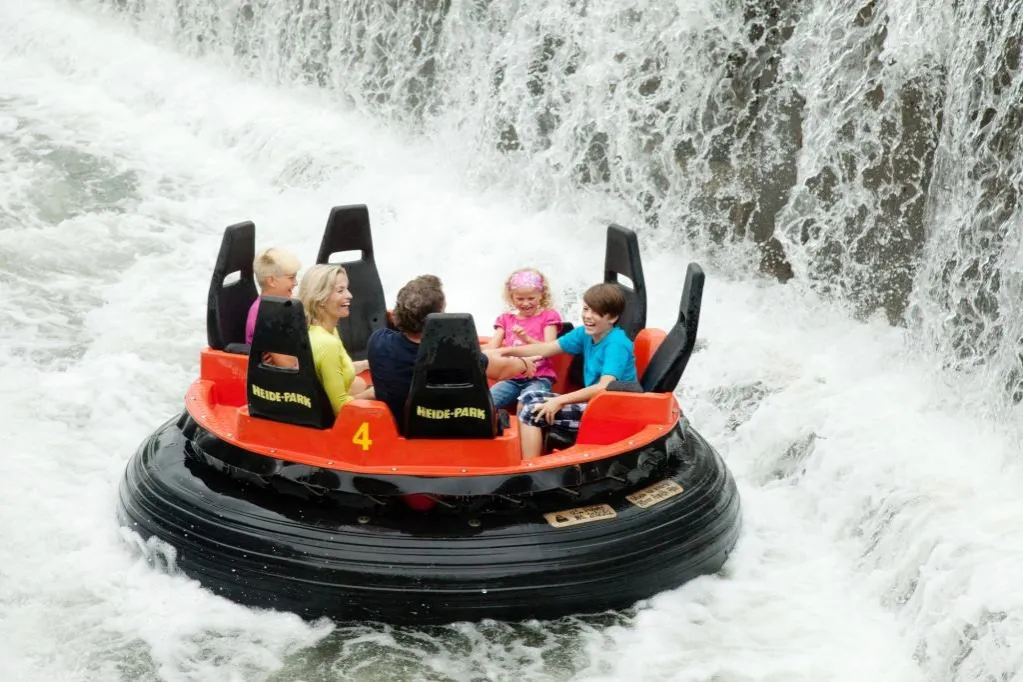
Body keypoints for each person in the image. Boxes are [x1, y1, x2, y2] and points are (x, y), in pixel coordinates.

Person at [367, 274, 539, 432]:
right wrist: (524, 365)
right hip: (453, 431)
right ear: (437, 318)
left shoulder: (378, 341)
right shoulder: (454, 354)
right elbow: (502, 370)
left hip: (402, 429)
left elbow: (484, 361)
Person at [499, 283, 637, 459]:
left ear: (612, 318)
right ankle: (530, 454)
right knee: (528, 398)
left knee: (531, 413)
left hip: (612, 412)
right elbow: (547, 349)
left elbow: (604, 387)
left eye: (596, 313)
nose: (588, 316)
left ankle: (531, 470)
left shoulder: (617, 344)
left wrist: (560, 401)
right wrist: (503, 352)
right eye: (586, 309)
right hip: (594, 403)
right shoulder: (585, 333)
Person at [297, 264, 374, 417]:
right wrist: (373, 394)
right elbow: (340, 408)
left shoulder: (321, 330)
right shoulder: (327, 343)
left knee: (361, 383)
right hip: (334, 421)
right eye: (340, 290)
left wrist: (368, 364)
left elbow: (337, 368)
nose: (350, 295)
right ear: (321, 299)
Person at [484, 268, 562, 409]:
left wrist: (526, 338)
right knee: (484, 404)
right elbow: (492, 347)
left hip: (539, 377)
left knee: (526, 405)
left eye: (531, 298)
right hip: (511, 377)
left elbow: (549, 348)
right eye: (520, 299)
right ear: (511, 297)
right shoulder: (506, 319)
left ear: (541, 295)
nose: (525, 303)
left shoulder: (549, 316)